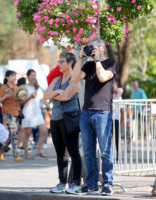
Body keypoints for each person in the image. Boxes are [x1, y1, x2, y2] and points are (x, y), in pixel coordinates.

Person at [72, 38, 118, 196]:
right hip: (86, 112)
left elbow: (103, 77)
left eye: (95, 47)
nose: (92, 49)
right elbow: (75, 77)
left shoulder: (111, 63)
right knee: (88, 152)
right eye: (90, 47)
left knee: (105, 151)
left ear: (102, 48)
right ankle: (91, 185)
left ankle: (107, 184)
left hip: (103, 112)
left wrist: (98, 59)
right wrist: (80, 58)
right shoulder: (88, 64)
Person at [43, 52, 82, 194]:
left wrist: (56, 93)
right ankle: (62, 182)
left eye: (62, 61)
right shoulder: (56, 80)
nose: (59, 64)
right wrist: (58, 91)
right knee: (60, 153)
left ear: (70, 62)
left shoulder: (75, 79)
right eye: (58, 61)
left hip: (69, 118)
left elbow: (66, 97)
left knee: (73, 152)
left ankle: (76, 183)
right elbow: (45, 96)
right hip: (55, 119)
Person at [20, 69, 51, 159]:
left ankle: (39, 152)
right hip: (28, 113)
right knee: (27, 134)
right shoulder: (24, 87)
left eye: (35, 75)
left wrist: (50, 108)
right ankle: (26, 154)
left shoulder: (37, 87)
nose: (34, 77)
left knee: (44, 132)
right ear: (28, 76)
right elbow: (21, 102)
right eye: (32, 75)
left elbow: (43, 99)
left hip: (37, 113)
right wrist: (30, 97)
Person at [0, 70, 24, 162]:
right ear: (7, 77)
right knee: (14, 134)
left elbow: (19, 101)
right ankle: (16, 155)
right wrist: (5, 97)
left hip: (16, 113)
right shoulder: (3, 88)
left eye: (15, 76)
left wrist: (22, 97)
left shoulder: (16, 87)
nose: (14, 77)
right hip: (7, 113)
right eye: (12, 76)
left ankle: (0, 151)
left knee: (13, 134)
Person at [113, 76, 123, 159]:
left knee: (116, 136)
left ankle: (118, 155)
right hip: (108, 114)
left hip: (115, 116)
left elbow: (116, 90)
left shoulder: (119, 90)